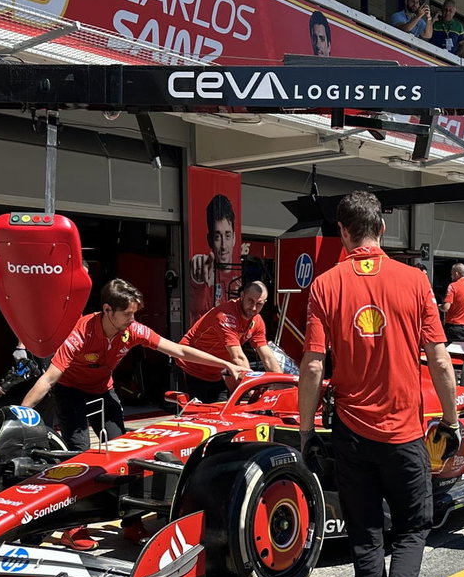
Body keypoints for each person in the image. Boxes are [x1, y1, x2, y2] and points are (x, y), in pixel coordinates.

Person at [297, 191, 458, 577]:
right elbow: (440, 359)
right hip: (405, 431)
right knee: (413, 527)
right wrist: (449, 421)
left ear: (342, 233)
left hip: (351, 432)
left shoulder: (325, 286)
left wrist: (305, 430)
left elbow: (313, 365)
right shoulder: (414, 281)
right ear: (382, 229)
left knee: (366, 536)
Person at [21, 276, 237, 455]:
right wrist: (21, 414)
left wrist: (225, 363)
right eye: (126, 314)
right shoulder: (81, 334)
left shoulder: (133, 330)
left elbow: (179, 350)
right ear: (107, 309)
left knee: (119, 447)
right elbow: (49, 379)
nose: (132, 320)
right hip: (70, 391)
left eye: (134, 314)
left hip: (101, 390)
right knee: (79, 450)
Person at [176, 280, 284, 402]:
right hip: (191, 366)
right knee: (196, 415)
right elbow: (238, 357)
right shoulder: (226, 315)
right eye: (250, 301)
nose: (253, 308)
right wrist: (252, 388)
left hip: (215, 371)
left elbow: (267, 357)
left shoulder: (257, 321)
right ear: (242, 296)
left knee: (220, 411)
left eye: (259, 304)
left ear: (264, 303)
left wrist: (283, 387)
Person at [189, 193, 238, 318]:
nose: (223, 246)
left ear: (234, 238)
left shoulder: (240, 279)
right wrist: (198, 282)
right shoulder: (205, 274)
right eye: (217, 237)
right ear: (209, 240)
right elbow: (196, 311)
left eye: (227, 235)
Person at [441, 261, 464, 343]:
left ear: (456, 274)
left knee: (451, 353)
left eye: (452, 274)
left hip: (453, 327)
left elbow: (446, 307)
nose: (451, 276)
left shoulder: (453, 286)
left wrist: (438, 306)